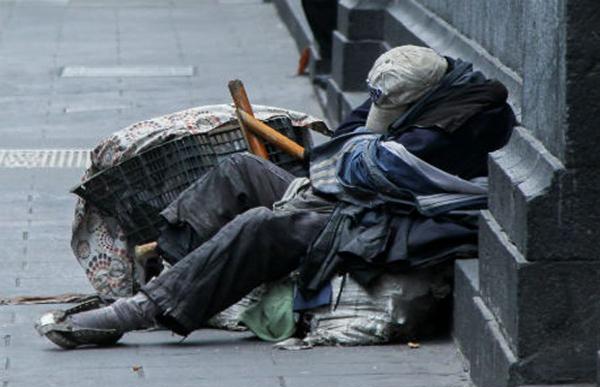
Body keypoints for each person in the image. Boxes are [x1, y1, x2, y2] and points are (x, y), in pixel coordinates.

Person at [36, 45, 516, 349]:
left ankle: (136, 313)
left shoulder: (462, 121)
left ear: (422, 100)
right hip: (348, 196)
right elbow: (349, 140)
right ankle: (170, 279)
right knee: (239, 170)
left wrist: (351, 158)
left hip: (393, 219)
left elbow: (368, 170)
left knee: (262, 224)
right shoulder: (417, 78)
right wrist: (356, 151)